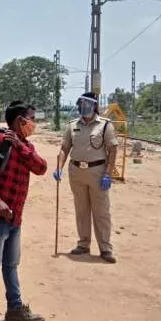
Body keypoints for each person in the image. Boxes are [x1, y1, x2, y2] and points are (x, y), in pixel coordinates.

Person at [0, 101, 48, 321]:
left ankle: (14, 308)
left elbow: (41, 168)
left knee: (11, 264)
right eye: (31, 118)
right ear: (19, 120)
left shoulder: (24, 145)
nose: (34, 124)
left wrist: (19, 144)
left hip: (15, 217)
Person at [53, 92, 119, 264]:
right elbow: (64, 148)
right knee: (81, 210)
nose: (82, 107)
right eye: (80, 104)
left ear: (94, 106)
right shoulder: (72, 125)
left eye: (86, 104)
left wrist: (108, 174)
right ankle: (83, 244)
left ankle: (105, 248)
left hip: (98, 172)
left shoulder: (105, 126)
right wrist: (59, 168)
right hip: (76, 171)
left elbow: (112, 150)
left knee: (101, 211)